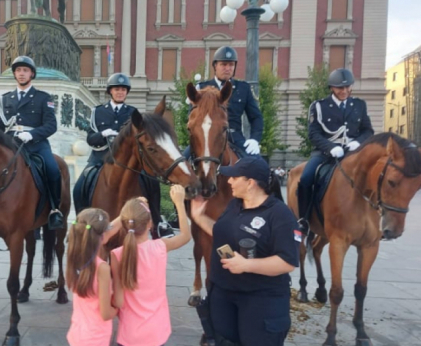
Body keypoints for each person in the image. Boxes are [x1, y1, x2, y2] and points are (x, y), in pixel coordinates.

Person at [190, 156, 300, 346]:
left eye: (234, 177)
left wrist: (247, 265)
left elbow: (287, 262)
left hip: (259, 301)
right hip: (223, 295)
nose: (229, 181)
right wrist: (199, 217)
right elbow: (220, 233)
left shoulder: (280, 215)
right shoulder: (235, 205)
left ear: (250, 183)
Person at [74, 72, 173, 238]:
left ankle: (158, 222)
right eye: (116, 89)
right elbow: (91, 138)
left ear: (127, 92)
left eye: (123, 90)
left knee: (152, 182)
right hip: (101, 158)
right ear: (110, 91)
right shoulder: (97, 112)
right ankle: (80, 223)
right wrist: (103, 134)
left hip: (128, 162)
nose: (120, 92)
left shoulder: (133, 113)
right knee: (80, 185)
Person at [110, 185, 191, 346]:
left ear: (125, 225)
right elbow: (185, 235)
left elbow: (118, 300)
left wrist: (124, 215)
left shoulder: (117, 254)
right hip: (157, 332)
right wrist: (179, 203)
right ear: (149, 224)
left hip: (129, 334)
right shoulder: (160, 247)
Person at [297, 68, 374, 232]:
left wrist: (357, 143)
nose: (344, 91)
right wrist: (331, 147)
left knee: (376, 177)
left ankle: (376, 217)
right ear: (332, 87)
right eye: (340, 88)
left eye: (347, 87)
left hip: (353, 153)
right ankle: (303, 219)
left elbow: (368, 131)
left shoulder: (359, 105)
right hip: (325, 154)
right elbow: (313, 133)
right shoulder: (319, 106)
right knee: (305, 178)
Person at [0, 55, 64, 230]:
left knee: (53, 169)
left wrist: (31, 134)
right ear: (14, 74)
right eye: (18, 70)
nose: (21, 74)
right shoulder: (6, 99)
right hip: (11, 144)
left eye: (25, 70)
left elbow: (51, 125)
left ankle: (54, 209)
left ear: (32, 74)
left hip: (36, 144)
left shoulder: (42, 97)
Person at [184, 46, 264, 158]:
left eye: (231, 65)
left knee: (260, 167)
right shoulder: (202, 88)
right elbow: (191, 116)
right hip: (207, 137)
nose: (228, 68)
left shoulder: (243, 88)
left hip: (235, 138)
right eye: (223, 64)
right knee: (181, 164)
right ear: (215, 66)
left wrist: (255, 139)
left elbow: (256, 117)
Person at [66, 208, 122, 346]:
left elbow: (101, 232)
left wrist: (123, 216)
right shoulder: (102, 268)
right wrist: (117, 308)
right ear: (103, 237)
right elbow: (105, 313)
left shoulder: (74, 259)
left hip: (77, 334)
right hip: (96, 338)